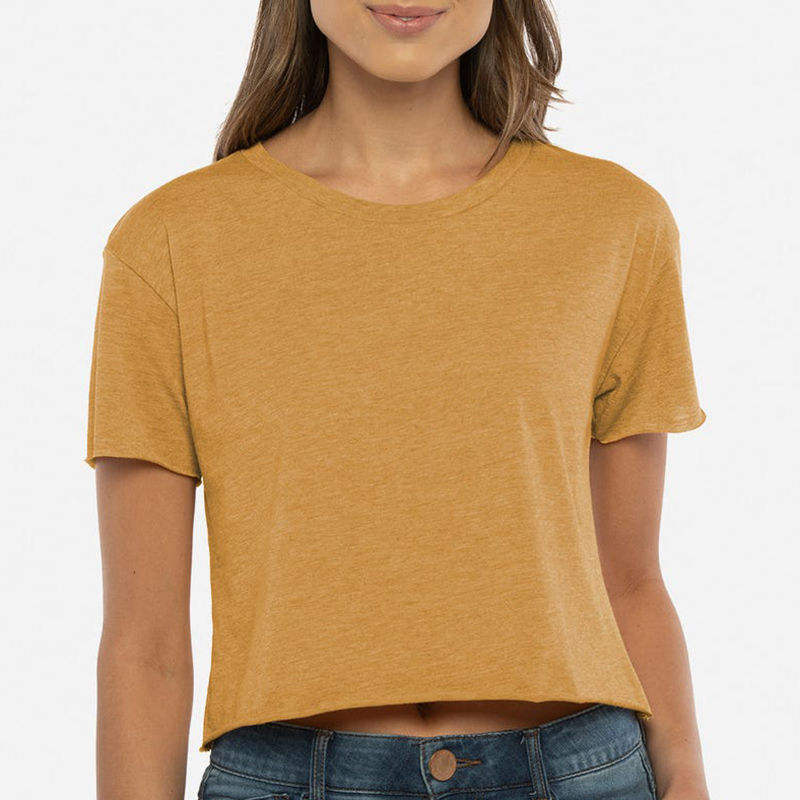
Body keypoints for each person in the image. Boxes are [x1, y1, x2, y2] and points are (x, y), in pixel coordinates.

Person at [87, 2, 709, 799]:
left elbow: (632, 579)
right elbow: (144, 641)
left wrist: (688, 781)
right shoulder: (171, 242)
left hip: (580, 771)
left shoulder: (614, 223)